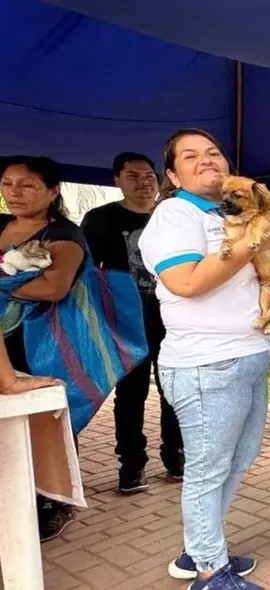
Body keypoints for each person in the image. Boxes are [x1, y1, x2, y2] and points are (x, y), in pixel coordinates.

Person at [140, 129, 270, 590]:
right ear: (172, 174)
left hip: (248, 354)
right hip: (205, 363)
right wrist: (253, 240)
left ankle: (200, 547)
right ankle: (210, 571)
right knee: (209, 468)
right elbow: (187, 282)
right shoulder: (174, 213)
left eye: (213, 152)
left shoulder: (230, 210)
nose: (206, 160)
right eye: (190, 156)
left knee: (239, 458)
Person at [82, 152, 184, 494]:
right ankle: (132, 463)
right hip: (125, 321)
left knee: (175, 389)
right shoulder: (99, 219)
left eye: (148, 175)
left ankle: (176, 454)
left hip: (175, 319)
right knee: (130, 393)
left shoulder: (173, 216)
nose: (143, 182)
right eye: (132, 175)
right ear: (117, 180)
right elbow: (87, 275)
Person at [0, 155, 88, 541]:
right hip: (4, 345)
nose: (14, 193)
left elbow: (54, 288)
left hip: (41, 342)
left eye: (27, 185)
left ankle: (54, 501)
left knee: (47, 423)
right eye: (6, 184)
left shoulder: (65, 235)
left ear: (53, 192)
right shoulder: (1, 225)